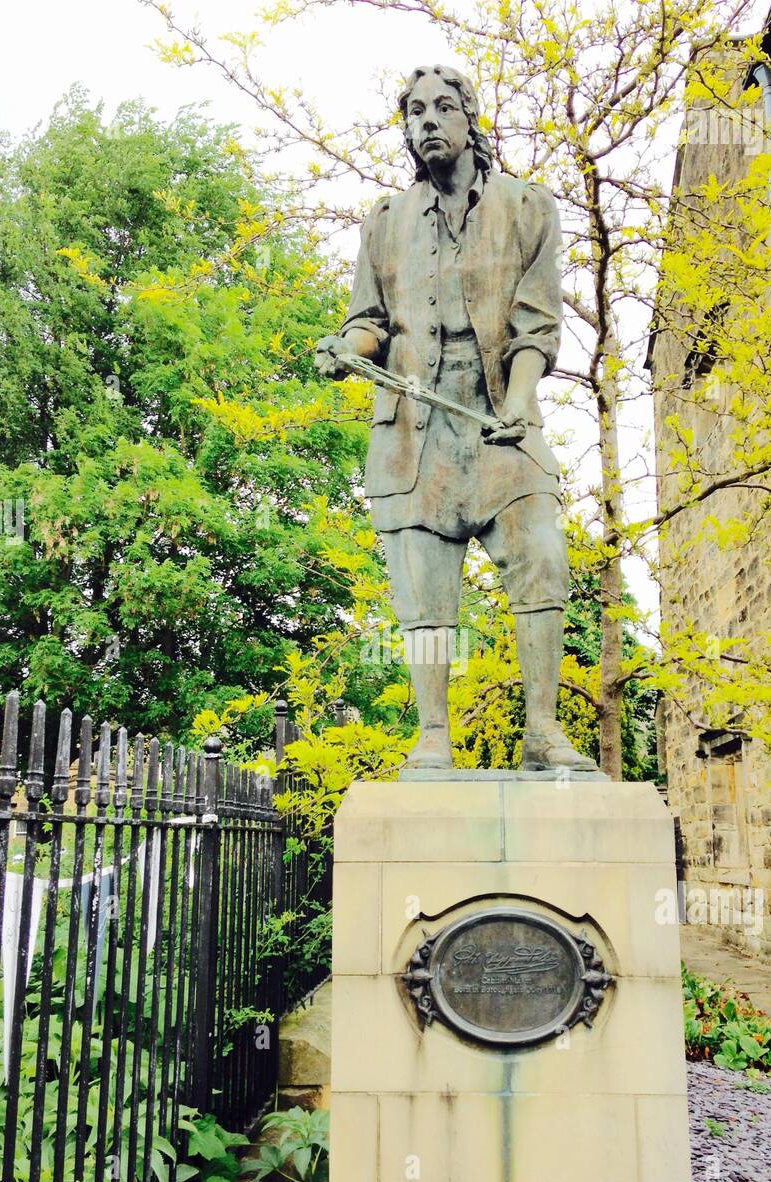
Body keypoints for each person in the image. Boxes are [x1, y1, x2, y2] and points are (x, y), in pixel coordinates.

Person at [315, 63, 594, 772]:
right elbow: (370, 321)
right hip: (416, 440)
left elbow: (538, 328)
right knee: (426, 599)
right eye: (414, 112)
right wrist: (347, 347)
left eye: (442, 108)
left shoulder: (529, 210)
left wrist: (521, 405)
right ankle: (433, 735)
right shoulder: (385, 224)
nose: (428, 121)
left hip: (504, 425)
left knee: (542, 561)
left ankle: (541, 732)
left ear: (471, 119)